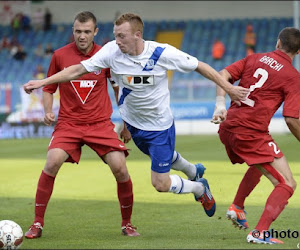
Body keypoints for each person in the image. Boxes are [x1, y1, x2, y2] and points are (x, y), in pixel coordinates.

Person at [24, 13, 249, 220]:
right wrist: (43, 82)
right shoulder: (112, 51)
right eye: (115, 35)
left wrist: (227, 90)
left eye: (121, 36)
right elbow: (77, 70)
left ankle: (200, 188)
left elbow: (201, 66)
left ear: (137, 35)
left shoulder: (162, 53)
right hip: (133, 125)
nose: (116, 41)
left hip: (159, 126)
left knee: (160, 182)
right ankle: (192, 170)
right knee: (160, 157)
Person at [24, 11, 139, 239]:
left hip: (100, 124)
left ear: (95, 32)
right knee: (51, 163)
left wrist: (127, 124)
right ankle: (37, 223)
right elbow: (48, 88)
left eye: (87, 31)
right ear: (73, 31)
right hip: (69, 123)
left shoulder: (106, 55)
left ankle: (127, 224)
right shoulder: (59, 55)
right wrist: (48, 111)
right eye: (78, 31)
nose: (82, 36)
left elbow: (119, 91)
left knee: (120, 168)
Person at [211, 27, 300, 244]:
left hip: (228, 127)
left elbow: (222, 74)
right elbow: (291, 119)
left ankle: (238, 207)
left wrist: (220, 103)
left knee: (261, 162)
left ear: (278, 43)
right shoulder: (293, 77)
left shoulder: (255, 58)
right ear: (297, 53)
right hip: (249, 133)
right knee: (287, 183)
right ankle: (260, 232)